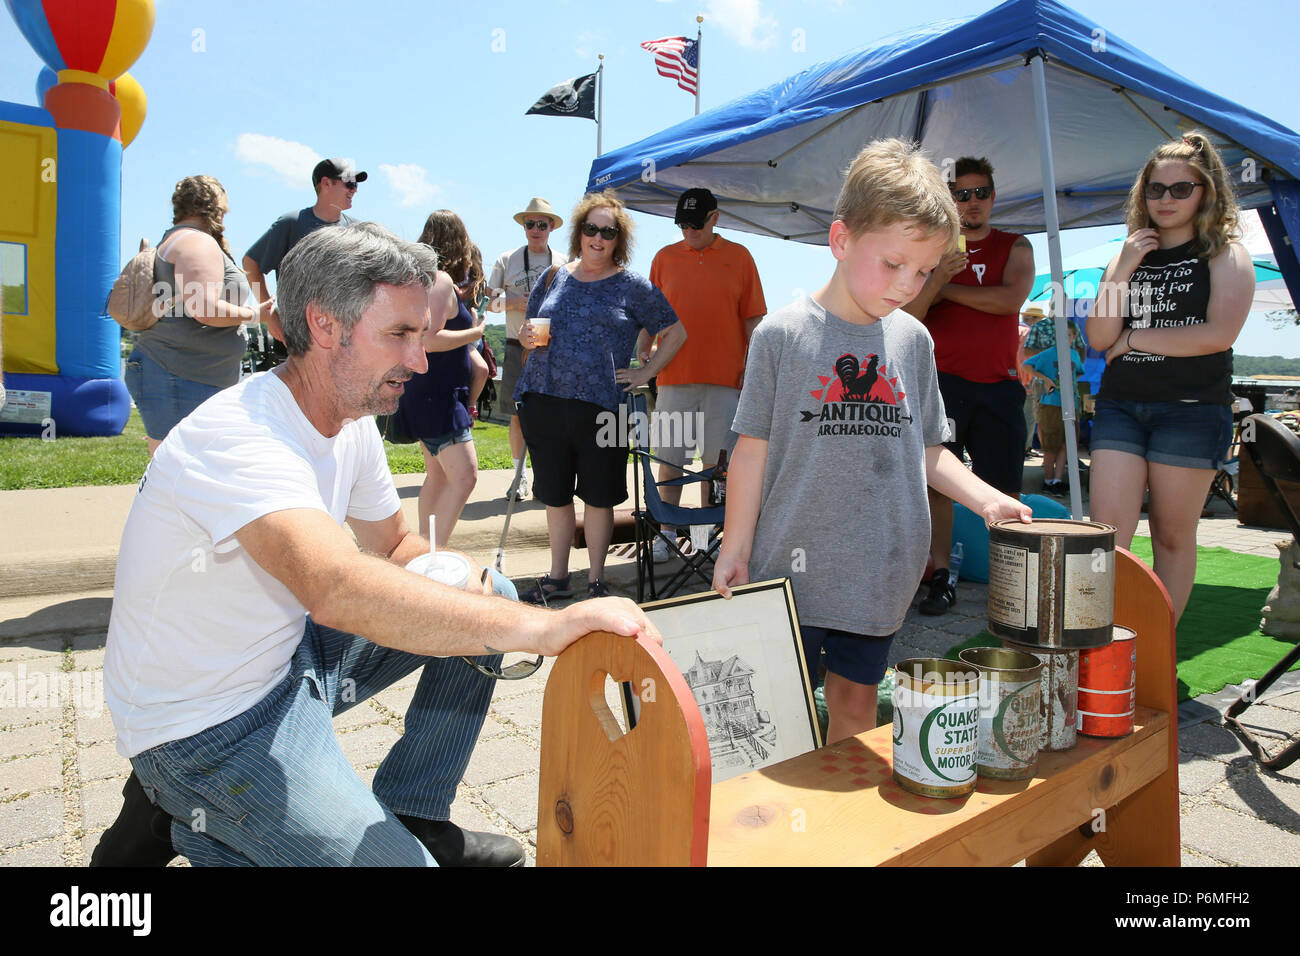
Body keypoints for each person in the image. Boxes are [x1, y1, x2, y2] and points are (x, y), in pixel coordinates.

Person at [97, 223, 660, 867]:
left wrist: (475, 592)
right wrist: (542, 628)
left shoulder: (349, 416)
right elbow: (335, 589)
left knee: (485, 592)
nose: (420, 361)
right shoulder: (240, 436)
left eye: (421, 336)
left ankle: (414, 811)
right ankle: (183, 813)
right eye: (400, 335)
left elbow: (394, 547)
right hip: (206, 726)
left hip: (287, 659)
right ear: (326, 324)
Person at [712, 139, 1031, 744]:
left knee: (856, 707)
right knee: (773, 709)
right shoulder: (780, 335)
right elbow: (751, 450)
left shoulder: (914, 341)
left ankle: (838, 826)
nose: (909, 284)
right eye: (893, 264)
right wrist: (736, 545)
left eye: (923, 270)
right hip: (787, 567)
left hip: (881, 566)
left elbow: (930, 449)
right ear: (841, 241)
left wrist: (987, 499)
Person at [1087, 132, 1254, 623]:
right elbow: (1099, 336)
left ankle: (1156, 647)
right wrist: (1124, 267)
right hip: (1121, 405)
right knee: (1106, 534)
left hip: (1192, 411)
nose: (1166, 199)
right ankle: (1103, 641)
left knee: (1172, 535)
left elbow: (1217, 334)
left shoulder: (1224, 252)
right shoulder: (1129, 252)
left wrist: (1135, 340)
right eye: (1156, 189)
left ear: (1206, 192)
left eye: (1181, 189)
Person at [514, 191, 687, 602]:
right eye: (591, 229)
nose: (598, 238)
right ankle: (557, 578)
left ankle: (595, 580)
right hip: (544, 399)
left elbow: (676, 332)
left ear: (618, 239)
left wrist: (646, 371)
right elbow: (529, 329)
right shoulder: (553, 276)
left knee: (599, 497)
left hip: (602, 407)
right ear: (579, 232)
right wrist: (524, 336)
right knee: (554, 497)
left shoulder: (633, 285)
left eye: (607, 232)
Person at [903, 156, 1036, 615]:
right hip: (942, 384)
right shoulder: (933, 249)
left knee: (1003, 488)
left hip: (999, 385)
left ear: (994, 197)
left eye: (980, 193)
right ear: (949, 199)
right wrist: (937, 276)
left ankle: (1012, 584)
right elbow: (908, 317)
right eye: (961, 194)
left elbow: (1009, 300)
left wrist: (946, 290)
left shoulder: (1015, 245)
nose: (971, 202)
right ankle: (939, 575)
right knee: (937, 487)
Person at [640, 188, 767, 561]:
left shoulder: (740, 257)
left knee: (717, 465)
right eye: (682, 224)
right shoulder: (663, 258)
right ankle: (666, 533)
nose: (689, 231)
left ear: (715, 218)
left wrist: (754, 367)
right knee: (670, 458)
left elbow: (754, 320)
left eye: (696, 224)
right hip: (673, 377)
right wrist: (643, 350)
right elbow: (650, 314)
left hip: (726, 379)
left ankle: (706, 536)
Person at [124, 175, 261, 456]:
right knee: (185, 477)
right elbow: (204, 307)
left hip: (175, 373)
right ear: (216, 207)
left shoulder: (175, 239)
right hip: (181, 374)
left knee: (176, 475)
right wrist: (254, 314)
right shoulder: (196, 243)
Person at [395, 211, 488, 548]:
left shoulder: (420, 280)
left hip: (428, 393)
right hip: (439, 397)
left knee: (436, 478)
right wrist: (475, 331)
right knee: (465, 477)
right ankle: (436, 553)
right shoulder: (440, 280)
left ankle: (424, 550)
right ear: (459, 241)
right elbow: (429, 340)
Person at [488, 198, 568, 500]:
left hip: (553, 348)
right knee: (517, 415)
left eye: (542, 224)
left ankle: (548, 476)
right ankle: (519, 476)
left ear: (551, 228)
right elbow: (488, 302)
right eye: (530, 224)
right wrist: (514, 302)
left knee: (553, 415)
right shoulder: (506, 259)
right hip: (514, 345)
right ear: (524, 227)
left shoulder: (562, 261)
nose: (536, 229)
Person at [242, 158, 366, 344]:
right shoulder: (291, 223)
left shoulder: (358, 230)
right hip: (303, 339)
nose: (354, 189)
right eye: (349, 183)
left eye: (355, 185)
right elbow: (250, 264)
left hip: (345, 336)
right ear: (326, 183)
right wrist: (269, 314)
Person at [1024, 321, 1085, 495]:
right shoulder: (1048, 354)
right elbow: (1026, 365)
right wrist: (1045, 379)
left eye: (1069, 335)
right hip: (1051, 405)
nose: (1065, 338)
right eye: (1061, 335)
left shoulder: (1074, 355)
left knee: (1067, 443)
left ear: (1074, 337)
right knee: (1050, 445)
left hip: (1071, 404)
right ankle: (1048, 480)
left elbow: (1079, 371)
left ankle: (1058, 480)